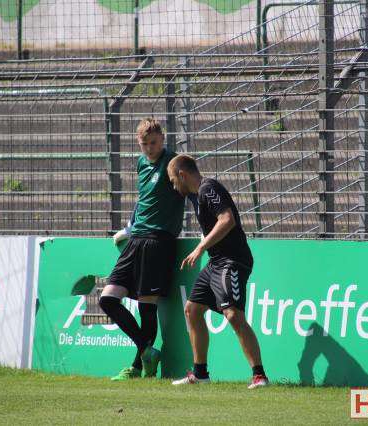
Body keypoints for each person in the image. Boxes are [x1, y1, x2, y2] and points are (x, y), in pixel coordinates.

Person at [166, 154, 269, 389]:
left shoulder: (207, 188)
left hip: (232, 260)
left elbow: (227, 219)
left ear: (182, 174)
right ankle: (200, 374)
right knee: (192, 310)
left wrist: (200, 247)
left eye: (173, 181)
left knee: (233, 315)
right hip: (216, 262)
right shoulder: (195, 196)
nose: (173, 186)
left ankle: (259, 376)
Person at [99, 118, 184, 381]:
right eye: (145, 144)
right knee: (107, 299)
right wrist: (129, 227)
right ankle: (147, 350)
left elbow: (191, 192)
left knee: (147, 308)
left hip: (159, 240)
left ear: (163, 139)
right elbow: (142, 199)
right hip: (136, 239)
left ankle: (136, 368)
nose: (149, 148)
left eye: (154, 142)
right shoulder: (141, 163)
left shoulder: (173, 162)